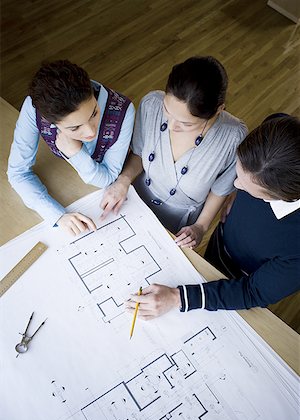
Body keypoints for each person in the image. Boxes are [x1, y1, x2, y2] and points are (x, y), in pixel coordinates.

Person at [125, 115, 300, 319]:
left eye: (248, 187)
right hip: (221, 240)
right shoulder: (278, 129)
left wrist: (176, 297)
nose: (235, 185)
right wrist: (239, 192)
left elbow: (253, 292)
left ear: (284, 195)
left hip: (241, 276)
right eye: (239, 174)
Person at [100, 56, 248, 248]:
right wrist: (122, 181)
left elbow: (219, 191)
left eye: (186, 123)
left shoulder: (233, 137)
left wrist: (200, 227)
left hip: (178, 220)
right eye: (167, 110)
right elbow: (138, 154)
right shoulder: (151, 104)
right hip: (133, 198)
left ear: (217, 111)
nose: (171, 125)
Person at [7, 60, 135, 235]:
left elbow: (108, 177)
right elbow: (17, 173)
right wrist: (56, 215)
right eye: (75, 128)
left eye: (94, 113)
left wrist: (75, 153)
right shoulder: (34, 108)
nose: (90, 131)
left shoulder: (123, 111)